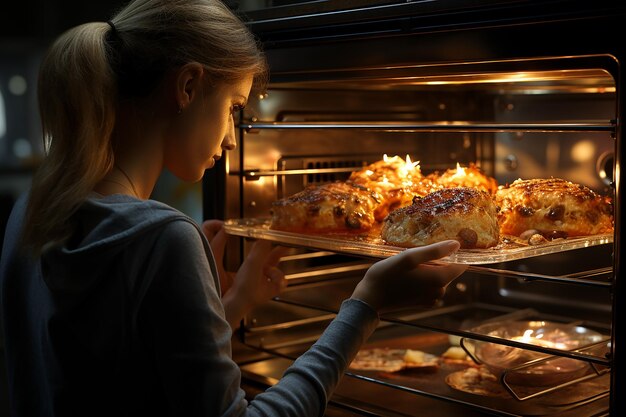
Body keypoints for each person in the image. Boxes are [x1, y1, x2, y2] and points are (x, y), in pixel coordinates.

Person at [0, 0, 468, 416]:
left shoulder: (32, 208)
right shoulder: (162, 237)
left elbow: (110, 373)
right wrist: (368, 304)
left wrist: (231, 305)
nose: (230, 138)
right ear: (186, 86)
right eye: (232, 107)